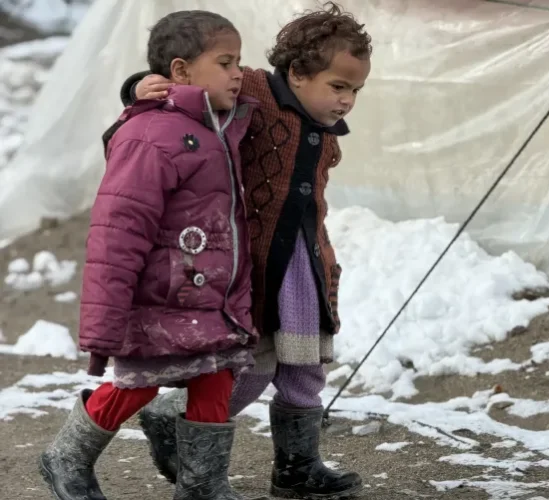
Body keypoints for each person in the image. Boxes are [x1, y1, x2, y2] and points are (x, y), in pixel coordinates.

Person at [115, 2, 372, 498]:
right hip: (251, 263)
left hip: (302, 263)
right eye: (338, 87)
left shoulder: (324, 131)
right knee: (253, 365)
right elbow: (191, 85)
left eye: (355, 90)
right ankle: (176, 420)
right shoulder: (254, 89)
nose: (347, 101)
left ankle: (297, 470)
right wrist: (138, 87)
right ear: (296, 73)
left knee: (305, 365)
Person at [38, 10, 257, 500]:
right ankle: (67, 456)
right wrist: (105, 319)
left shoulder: (221, 125)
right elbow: (118, 230)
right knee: (141, 381)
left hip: (209, 294)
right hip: (162, 293)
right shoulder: (149, 135)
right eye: (226, 62)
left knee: (215, 376)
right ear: (180, 71)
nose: (238, 72)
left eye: (239, 61)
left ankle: (202, 485)